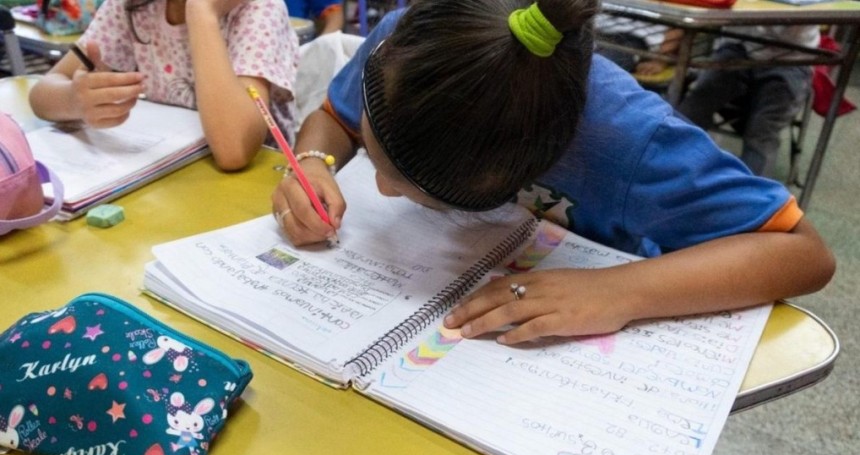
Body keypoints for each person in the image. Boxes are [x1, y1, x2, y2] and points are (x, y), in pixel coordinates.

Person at [270, 0, 835, 345]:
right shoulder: (407, 48)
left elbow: (805, 254)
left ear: (522, 168)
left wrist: (621, 292)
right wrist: (316, 162)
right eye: (377, 158)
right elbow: (334, 118)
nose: (378, 189)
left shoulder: (630, 140)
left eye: (412, 189)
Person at [28, 0, 300, 171]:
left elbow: (235, 152)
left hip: (257, 187)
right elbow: (41, 94)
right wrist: (75, 100)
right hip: (169, 172)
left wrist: (201, 10)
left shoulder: (259, 8)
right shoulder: (132, 6)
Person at [677, 25, 819, 177]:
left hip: (792, 57)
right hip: (738, 48)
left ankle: (750, 196)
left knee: (762, 130)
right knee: (695, 106)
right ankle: (669, 174)